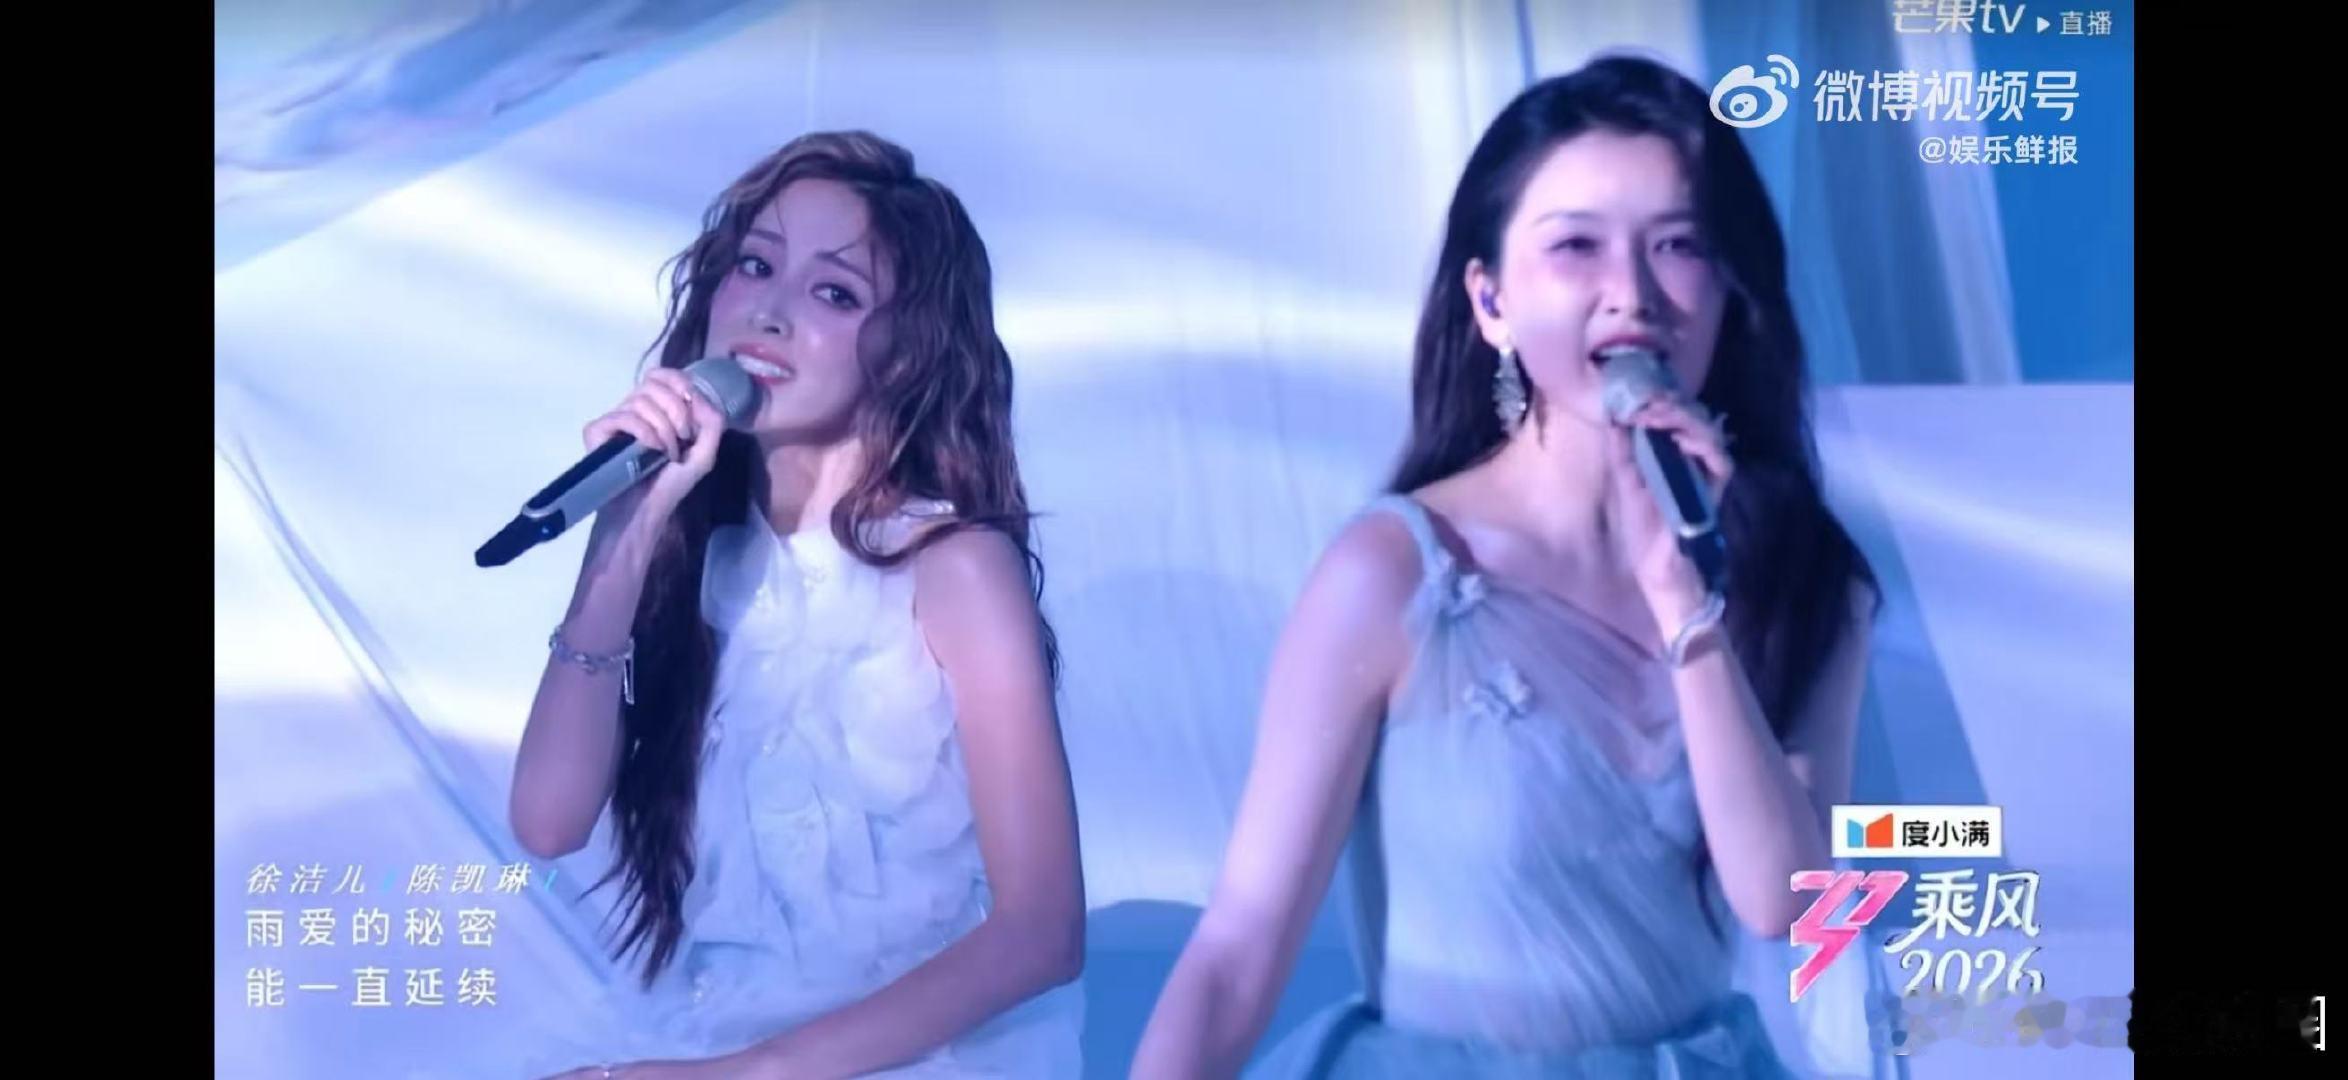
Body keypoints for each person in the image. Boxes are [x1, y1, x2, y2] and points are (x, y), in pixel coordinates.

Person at [1130, 55, 1880, 1078]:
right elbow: (1239, 945)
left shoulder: (1802, 580)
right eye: (1575, 246)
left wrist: (1687, 608)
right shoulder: (1396, 572)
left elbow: (1784, 903)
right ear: (1490, 300)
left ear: (1729, 287)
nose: (1631, 295)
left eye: (1678, 245)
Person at [509, 131, 1085, 1079]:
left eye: (835, 293)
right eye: (754, 266)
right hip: (716, 1037)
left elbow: (1042, 933)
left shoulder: (954, 565)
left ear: (908, 351)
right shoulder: (698, 559)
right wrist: (623, 535)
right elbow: (545, 823)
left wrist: (743, 1077)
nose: (768, 314)